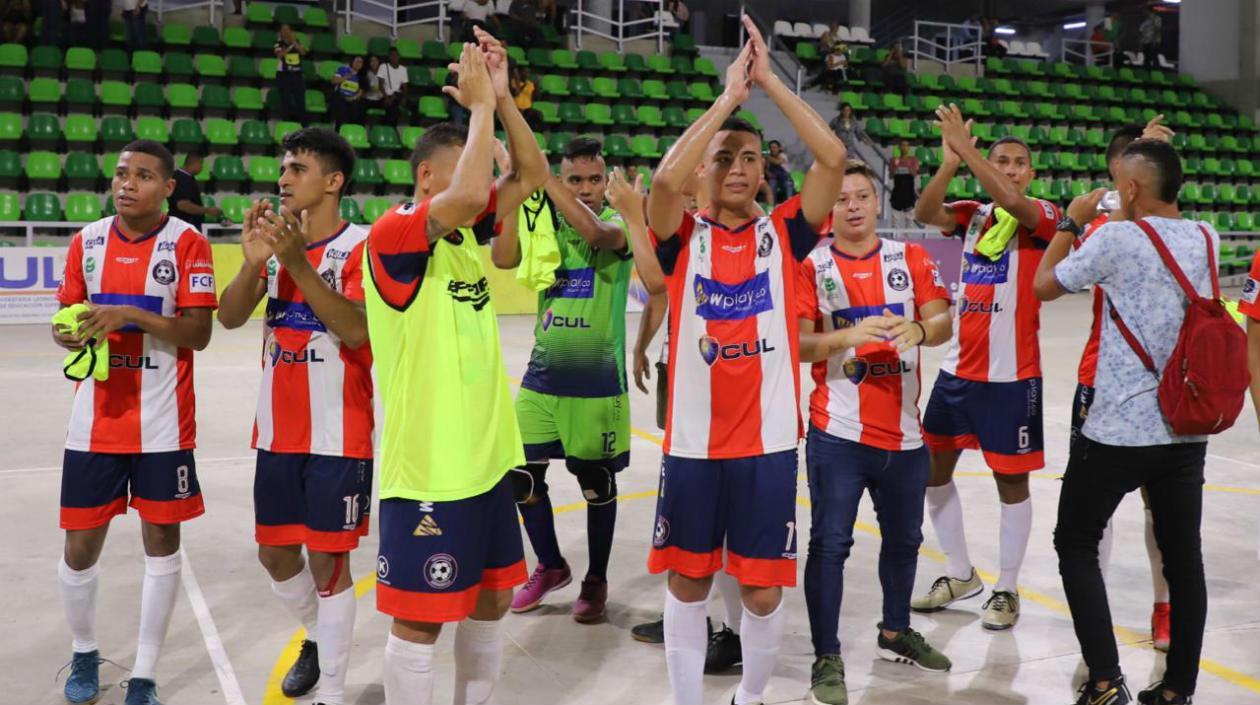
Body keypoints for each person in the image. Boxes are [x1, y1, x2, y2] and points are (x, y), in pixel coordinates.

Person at [646, 17, 846, 705]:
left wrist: (769, 85)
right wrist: (726, 103)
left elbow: (833, 160)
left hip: (765, 445)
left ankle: (751, 698)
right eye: (724, 158)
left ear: (766, 171)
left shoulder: (783, 233)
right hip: (695, 446)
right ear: (707, 167)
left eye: (749, 159)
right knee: (688, 582)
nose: (736, 168)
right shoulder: (683, 236)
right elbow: (665, 186)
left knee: (761, 588)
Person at [364, 32, 548, 705]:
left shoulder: (466, 243)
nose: (485, 170)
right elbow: (473, 192)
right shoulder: (392, 235)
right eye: (469, 161)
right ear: (425, 179)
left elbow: (531, 174)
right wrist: (478, 114)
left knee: (493, 598)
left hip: (489, 462)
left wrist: (502, 100)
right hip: (429, 471)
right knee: (419, 620)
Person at [1033, 138, 1218, 705]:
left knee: (1075, 541)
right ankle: (1176, 689)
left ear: (1132, 189)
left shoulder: (1115, 236)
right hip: (1185, 427)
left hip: (1117, 426)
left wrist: (1070, 220)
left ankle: (1106, 679)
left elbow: (1045, 285)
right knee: (1184, 557)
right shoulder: (1206, 236)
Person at [52, 139, 218, 705]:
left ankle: (144, 673)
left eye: (144, 175)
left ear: (168, 187)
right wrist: (67, 331)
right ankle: (83, 652)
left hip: (163, 424)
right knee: (79, 548)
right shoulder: (87, 240)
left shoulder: (189, 243)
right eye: (122, 172)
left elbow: (198, 333)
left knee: (161, 545)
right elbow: (64, 316)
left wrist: (127, 314)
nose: (127, 182)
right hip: (93, 421)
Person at [216, 127, 371, 705]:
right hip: (278, 431)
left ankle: (333, 691)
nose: (283, 179)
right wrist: (252, 265)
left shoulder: (363, 247)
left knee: (330, 561)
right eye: (283, 169)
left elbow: (356, 329)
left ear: (333, 181)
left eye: (298, 169)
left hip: (340, 432)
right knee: (276, 555)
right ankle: (314, 636)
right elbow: (228, 319)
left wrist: (296, 264)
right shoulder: (276, 246)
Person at [798, 160, 954, 705]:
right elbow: (796, 344)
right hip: (838, 433)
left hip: (907, 437)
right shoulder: (810, 265)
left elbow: (941, 321)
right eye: (842, 199)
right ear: (828, 207)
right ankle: (827, 656)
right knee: (830, 545)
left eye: (863, 195)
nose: (855, 205)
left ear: (876, 200)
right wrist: (847, 336)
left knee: (906, 541)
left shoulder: (909, 257)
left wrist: (919, 327)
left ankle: (894, 631)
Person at [910, 104, 1062, 631]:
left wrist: (972, 153)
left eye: (1019, 161)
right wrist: (950, 162)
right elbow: (925, 212)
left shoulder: (1039, 215)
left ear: (1032, 172)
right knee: (931, 473)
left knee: (1010, 483)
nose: (1012, 168)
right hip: (957, 373)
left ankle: (1006, 587)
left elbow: (1013, 199)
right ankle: (959, 573)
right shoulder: (976, 214)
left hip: (1012, 378)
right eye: (1004, 160)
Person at [487, 136, 632, 624]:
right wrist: (513, 189)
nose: (587, 188)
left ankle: (596, 578)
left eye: (595, 179)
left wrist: (535, 172)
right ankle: (550, 565)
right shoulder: (543, 224)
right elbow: (504, 260)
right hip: (544, 373)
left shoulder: (620, 224)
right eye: (576, 179)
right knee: (520, 476)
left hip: (596, 381)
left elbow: (594, 234)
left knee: (595, 482)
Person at [1076, 119, 1177, 655]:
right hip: (1100, 379)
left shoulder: (1180, 227)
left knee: (1158, 510)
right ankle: (1096, 606)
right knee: (1094, 510)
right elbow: (1071, 272)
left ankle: (1165, 607)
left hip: (1165, 386)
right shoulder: (1099, 226)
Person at [167, 152, 222, 233]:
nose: (202, 167)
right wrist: (208, 210)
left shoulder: (184, 177)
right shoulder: (183, 179)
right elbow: (183, 205)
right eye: (201, 164)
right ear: (195, 163)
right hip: (184, 226)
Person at [274, 24, 309, 123]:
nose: (286, 32)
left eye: (287, 30)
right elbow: (280, 55)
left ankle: (303, 124)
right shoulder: (278, 44)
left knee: (300, 101)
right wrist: (290, 47)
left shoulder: (297, 42)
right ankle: (286, 123)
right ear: (280, 32)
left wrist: (294, 43)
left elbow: (303, 52)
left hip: (297, 75)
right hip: (284, 75)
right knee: (285, 101)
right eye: (283, 30)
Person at [888, 140, 919, 228]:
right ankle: (894, 238)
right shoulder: (893, 160)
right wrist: (896, 166)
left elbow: (914, 174)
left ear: (909, 148)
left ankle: (908, 238)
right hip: (897, 192)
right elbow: (891, 176)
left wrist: (907, 166)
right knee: (895, 220)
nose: (904, 148)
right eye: (902, 145)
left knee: (909, 220)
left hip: (909, 193)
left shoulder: (913, 160)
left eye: (906, 145)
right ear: (899, 147)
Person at [330, 56, 365, 129]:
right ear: (352, 62)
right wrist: (346, 77)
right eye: (357, 61)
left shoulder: (361, 76)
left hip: (352, 98)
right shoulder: (343, 69)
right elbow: (333, 81)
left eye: (361, 62)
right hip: (340, 95)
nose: (359, 64)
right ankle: (337, 129)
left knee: (358, 109)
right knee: (340, 107)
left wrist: (353, 98)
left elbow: (361, 92)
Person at [378, 48, 409, 125]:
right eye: (392, 55)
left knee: (415, 107)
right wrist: (386, 97)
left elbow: (405, 87)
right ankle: (391, 128)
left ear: (398, 56)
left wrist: (404, 98)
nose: (394, 57)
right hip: (386, 96)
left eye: (396, 55)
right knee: (392, 106)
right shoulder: (383, 67)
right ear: (389, 57)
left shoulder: (403, 69)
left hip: (398, 95)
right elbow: (380, 85)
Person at [363, 55, 385, 121]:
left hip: (380, 99)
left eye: (375, 61)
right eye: (371, 61)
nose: (373, 63)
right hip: (368, 99)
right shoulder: (366, 74)